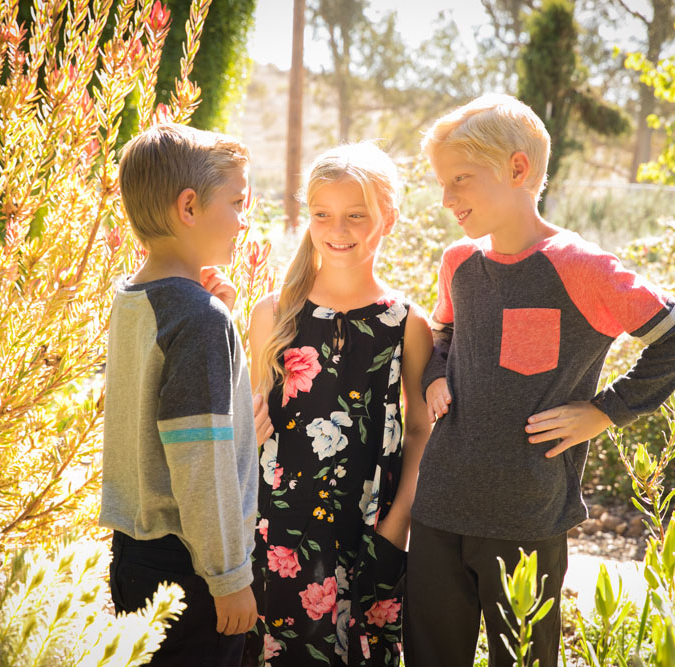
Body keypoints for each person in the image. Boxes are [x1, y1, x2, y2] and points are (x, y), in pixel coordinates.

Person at [403, 94, 675, 667]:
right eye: (442, 183)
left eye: (461, 180)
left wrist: (606, 409)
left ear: (518, 170)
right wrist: (436, 376)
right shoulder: (458, 263)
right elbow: (442, 334)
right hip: (440, 501)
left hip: (527, 512)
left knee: (522, 659)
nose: (447, 200)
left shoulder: (582, 266)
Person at [241, 142, 433, 667]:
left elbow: (420, 432)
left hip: (368, 531)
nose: (337, 229)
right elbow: (251, 423)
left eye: (356, 215)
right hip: (275, 530)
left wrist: (399, 523)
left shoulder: (407, 324)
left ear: (388, 218)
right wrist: (248, 424)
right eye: (323, 214)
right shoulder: (273, 314)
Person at [100, 123, 272, 666]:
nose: (244, 219)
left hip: (134, 557)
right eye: (237, 202)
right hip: (191, 570)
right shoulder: (197, 317)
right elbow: (200, 461)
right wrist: (228, 577)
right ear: (190, 207)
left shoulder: (135, 296)